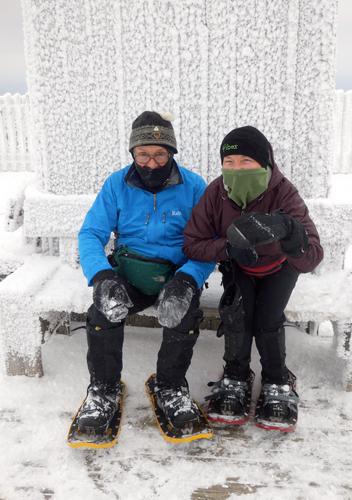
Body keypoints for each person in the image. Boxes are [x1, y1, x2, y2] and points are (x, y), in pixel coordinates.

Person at [77, 111, 215, 434]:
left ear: (172, 153)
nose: (151, 163)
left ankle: (170, 386)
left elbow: (209, 243)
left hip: (176, 277)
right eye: (143, 154)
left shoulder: (194, 187)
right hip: (128, 275)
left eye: (159, 154)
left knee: (186, 313)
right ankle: (103, 390)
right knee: (102, 313)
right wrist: (101, 276)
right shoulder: (116, 185)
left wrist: (189, 278)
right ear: (132, 153)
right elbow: (90, 234)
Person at [183, 125, 323, 431]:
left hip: (279, 268)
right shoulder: (216, 192)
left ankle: (277, 380)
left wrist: (291, 236)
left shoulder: (284, 192)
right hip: (240, 267)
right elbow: (192, 242)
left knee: (267, 319)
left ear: (265, 162)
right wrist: (228, 248)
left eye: (246, 162)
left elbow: (312, 256)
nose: (236, 169)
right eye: (229, 163)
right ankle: (236, 375)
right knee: (237, 315)